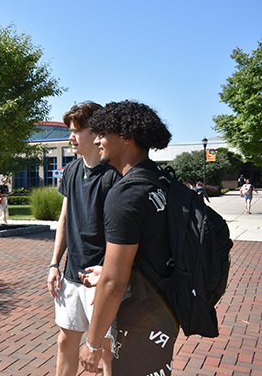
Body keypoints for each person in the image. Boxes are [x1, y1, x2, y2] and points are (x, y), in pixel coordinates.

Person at [79, 100, 178, 376]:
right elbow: (153, 248)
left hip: (138, 321)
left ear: (126, 138)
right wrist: (109, 268)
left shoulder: (125, 195)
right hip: (165, 313)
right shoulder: (161, 181)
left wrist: (93, 342)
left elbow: (114, 283)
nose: (97, 140)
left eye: (103, 133)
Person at [46, 102, 121, 376]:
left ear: (97, 133)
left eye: (77, 130)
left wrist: (108, 272)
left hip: (100, 276)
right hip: (71, 274)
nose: (71, 137)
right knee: (65, 340)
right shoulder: (71, 171)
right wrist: (54, 264)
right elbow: (65, 220)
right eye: (70, 130)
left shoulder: (115, 176)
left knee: (107, 350)